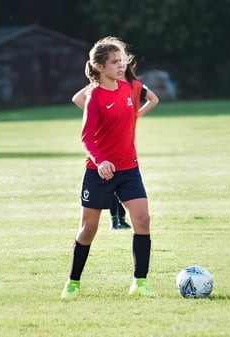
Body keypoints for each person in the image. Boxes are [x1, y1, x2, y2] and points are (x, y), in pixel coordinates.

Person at [61, 36, 160, 299]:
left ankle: (140, 283)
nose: (121, 65)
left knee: (142, 219)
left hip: (129, 169)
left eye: (122, 60)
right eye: (115, 62)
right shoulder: (93, 97)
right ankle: (73, 282)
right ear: (100, 67)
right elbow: (86, 137)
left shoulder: (129, 88)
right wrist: (100, 160)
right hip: (99, 171)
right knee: (88, 230)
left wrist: (134, 116)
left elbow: (149, 100)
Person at [72, 85, 131, 230]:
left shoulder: (125, 86)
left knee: (121, 183)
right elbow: (77, 98)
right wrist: (96, 82)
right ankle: (116, 220)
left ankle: (119, 220)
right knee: (110, 180)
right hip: (103, 151)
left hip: (122, 149)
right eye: (115, 62)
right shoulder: (96, 92)